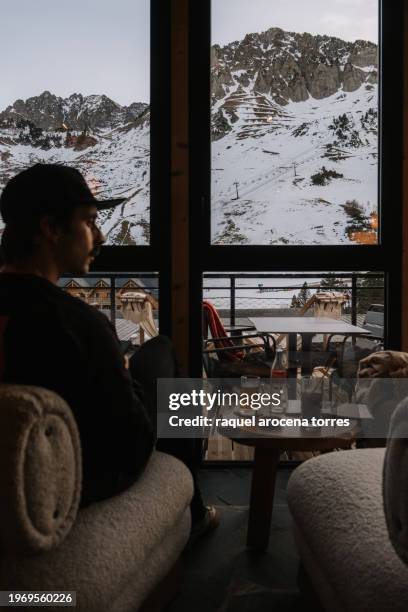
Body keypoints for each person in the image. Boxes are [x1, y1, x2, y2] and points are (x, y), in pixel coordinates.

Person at [0, 163, 218, 537]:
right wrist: (126, 376)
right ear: (50, 229)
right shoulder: (76, 322)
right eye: (89, 222)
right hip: (79, 475)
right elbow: (132, 442)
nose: (99, 237)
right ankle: (192, 512)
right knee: (161, 353)